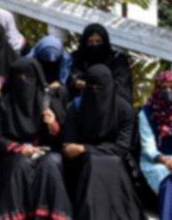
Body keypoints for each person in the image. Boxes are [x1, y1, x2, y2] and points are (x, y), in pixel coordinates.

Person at [0, 58, 71, 220]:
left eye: (29, 77)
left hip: (44, 151)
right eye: (19, 77)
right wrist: (19, 148)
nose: (24, 82)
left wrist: (52, 125)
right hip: (14, 153)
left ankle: (47, 214)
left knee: (51, 164)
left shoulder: (48, 103)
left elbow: (63, 137)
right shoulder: (4, 104)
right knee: (20, 164)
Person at [62, 64, 143, 220]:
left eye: (100, 86)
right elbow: (69, 143)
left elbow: (122, 147)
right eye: (91, 85)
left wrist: (86, 148)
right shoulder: (76, 107)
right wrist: (72, 149)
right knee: (94, 161)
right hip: (80, 161)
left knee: (103, 161)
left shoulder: (124, 109)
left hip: (113, 160)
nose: (95, 90)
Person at [68, 23, 133, 104]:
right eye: (90, 42)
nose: (95, 45)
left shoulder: (117, 59)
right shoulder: (79, 57)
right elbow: (74, 79)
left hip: (112, 103)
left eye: (98, 41)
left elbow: (120, 85)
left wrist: (98, 87)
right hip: (84, 102)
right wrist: (91, 87)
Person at [138, 71, 172, 220]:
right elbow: (148, 148)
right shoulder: (147, 113)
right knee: (169, 183)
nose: (168, 91)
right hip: (157, 162)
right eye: (164, 87)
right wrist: (166, 161)